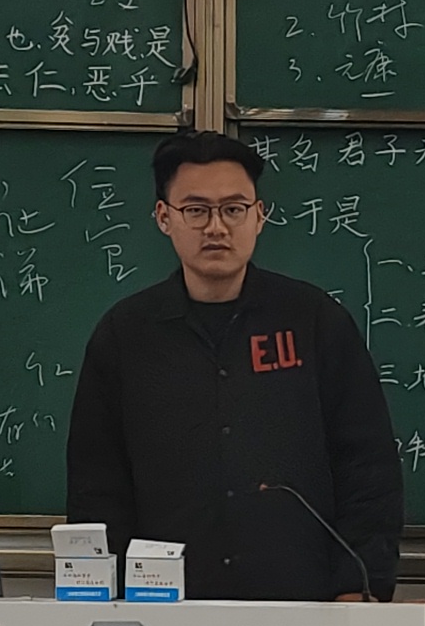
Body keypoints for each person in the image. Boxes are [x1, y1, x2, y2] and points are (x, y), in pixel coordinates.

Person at [60, 127, 402, 601]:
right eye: (196, 210)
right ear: (164, 217)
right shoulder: (125, 334)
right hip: (162, 606)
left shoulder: (314, 321)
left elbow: (368, 466)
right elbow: (96, 484)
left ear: (259, 216)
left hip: (305, 601)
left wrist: (360, 583)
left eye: (234, 209)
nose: (216, 227)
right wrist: (103, 593)